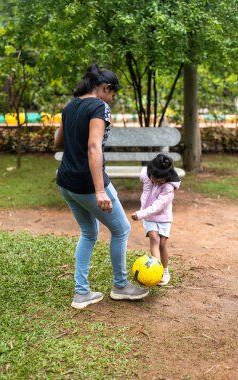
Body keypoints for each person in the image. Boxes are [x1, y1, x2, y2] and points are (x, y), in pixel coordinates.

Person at [55, 64, 149, 309]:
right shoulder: (99, 106)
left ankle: (82, 293)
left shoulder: (71, 105)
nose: (112, 99)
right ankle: (120, 286)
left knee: (89, 233)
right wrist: (99, 190)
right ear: (106, 88)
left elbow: (57, 141)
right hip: (88, 184)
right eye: (113, 94)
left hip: (66, 182)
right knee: (121, 230)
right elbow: (94, 147)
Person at [131, 154, 181, 286]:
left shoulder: (169, 188)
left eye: (161, 180)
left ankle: (164, 271)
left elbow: (157, 207)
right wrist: (143, 211)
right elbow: (146, 182)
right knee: (154, 238)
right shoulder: (147, 176)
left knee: (162, 244)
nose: (157, 182)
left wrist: (141, 213)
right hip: (147, 215)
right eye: (155, 179)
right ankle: (156, 272)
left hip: (162, 216)